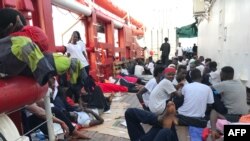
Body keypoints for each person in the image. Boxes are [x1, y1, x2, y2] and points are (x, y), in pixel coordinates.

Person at [210, 66, 249, 140]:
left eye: (221, 74)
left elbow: (208, 90)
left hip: (232, 116)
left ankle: (213, 131)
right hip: (244, 116)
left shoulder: (224, 84)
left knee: (213, 111)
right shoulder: (240, 83)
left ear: (223, 75)